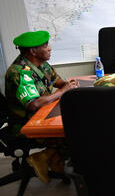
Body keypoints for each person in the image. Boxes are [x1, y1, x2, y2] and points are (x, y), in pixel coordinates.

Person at [4, 30, 79, 183]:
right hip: (25, 124)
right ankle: (50, 158)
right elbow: (34, 104)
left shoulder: (42, 64)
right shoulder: (18, 73)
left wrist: (68, 85)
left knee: (77, 124)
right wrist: (63, 91)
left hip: (43, 115)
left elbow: (58, 82)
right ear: (33, 51)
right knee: (74, 133)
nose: (49, 48)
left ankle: (47, 157)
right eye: (45, 46)